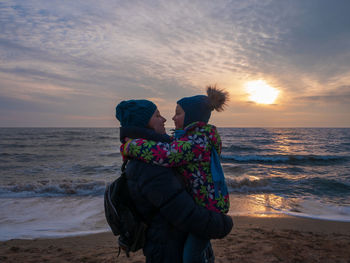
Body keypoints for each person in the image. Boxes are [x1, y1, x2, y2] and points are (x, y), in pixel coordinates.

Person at [120, 86, 229, 263]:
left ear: (191, 117)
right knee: (196, 252)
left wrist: (133, 146)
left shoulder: (196, 141)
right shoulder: (194, 139)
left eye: (177, 113)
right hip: (202, 209)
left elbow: (168, 154)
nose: (169, 118)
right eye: (158, 115)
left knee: (192, 256)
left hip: (208, 206)